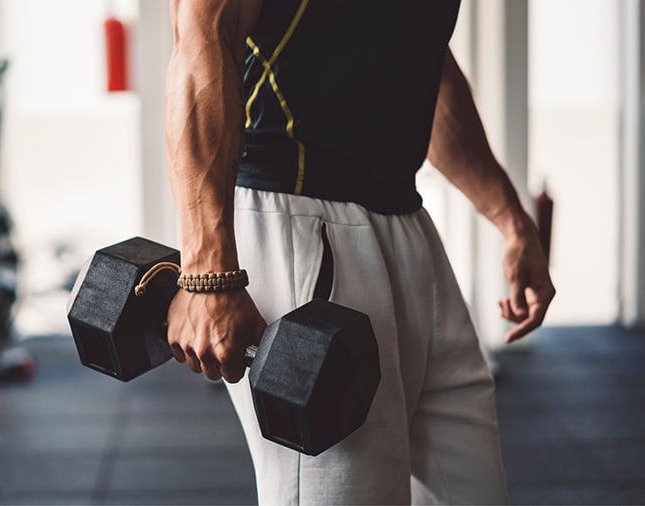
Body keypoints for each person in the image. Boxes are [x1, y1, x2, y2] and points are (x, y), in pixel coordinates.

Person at [163, 0, 555, 504]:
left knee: (474, 490)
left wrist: (512, 221)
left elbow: (423, 65)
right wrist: (207, 269)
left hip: (409, 226)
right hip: (302, 223)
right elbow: (203, 36)